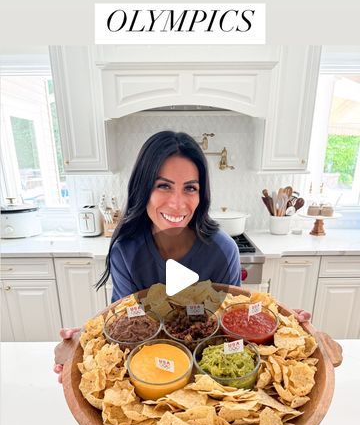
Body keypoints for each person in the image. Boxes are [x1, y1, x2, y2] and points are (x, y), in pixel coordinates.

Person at [54, 130, 311, 381]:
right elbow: (125, 322)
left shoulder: (222, 251)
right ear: (142, 189)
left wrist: (283, 327)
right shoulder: (126, 250)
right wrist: (89, 341)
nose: (178, 204)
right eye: (163, 186)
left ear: (202, 195)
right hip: (148, 372)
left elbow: (232, 325)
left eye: (190, 188)